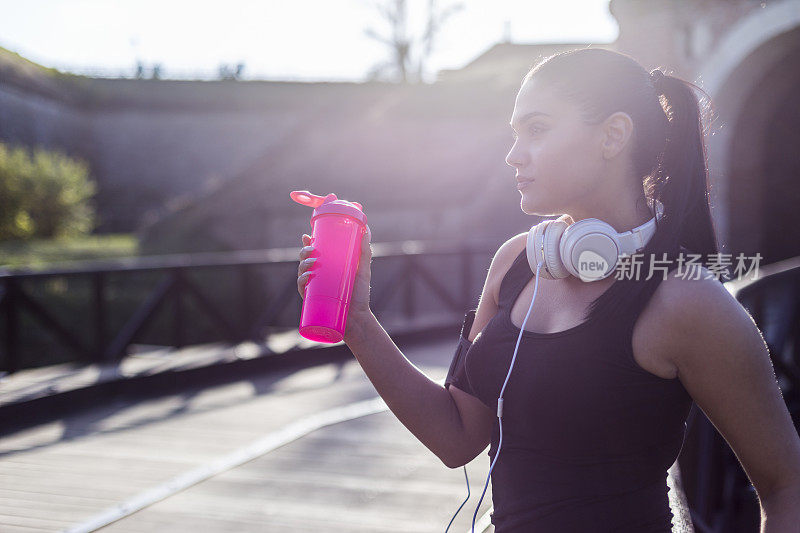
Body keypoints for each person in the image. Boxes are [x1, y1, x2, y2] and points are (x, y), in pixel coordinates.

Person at [296, 47, 800, 532]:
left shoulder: (687, 301)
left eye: (536, 130)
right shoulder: (516, 262)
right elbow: (455, 436)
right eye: (514, 134)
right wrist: (357, 322)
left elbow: (787, 486)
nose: (514, 156)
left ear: (613, 135)